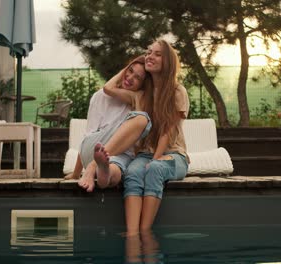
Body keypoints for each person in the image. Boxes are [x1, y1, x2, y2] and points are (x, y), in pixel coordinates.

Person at [122, 40, 190, 235]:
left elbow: (167, 132)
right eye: (148, 52)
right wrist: (133, 64)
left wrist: (156, 158)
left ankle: (145, 234)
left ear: (168, 61)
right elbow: (109, 89)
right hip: (145, 154)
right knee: (133, 174)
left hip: (174, 155)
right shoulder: (142, 94)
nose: (150, 56)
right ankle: (132, 235)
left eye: (157, 54)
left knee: (155, 169)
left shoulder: (178, 91)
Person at [64, 56, 153, 193]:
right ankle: (94, 166)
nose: (130, 78)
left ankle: (105, 173)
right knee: (141, 119)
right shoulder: (101, 96)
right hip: (94, 148)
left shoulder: (139, 100)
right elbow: (88, 136)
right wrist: (76, 173)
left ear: (143, 85)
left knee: (117, 169)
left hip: (119, 156)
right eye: (129, 71)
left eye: (137, 78)